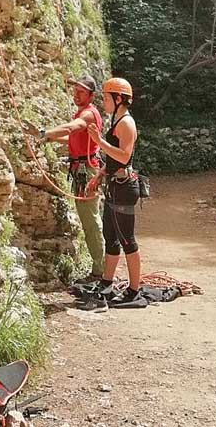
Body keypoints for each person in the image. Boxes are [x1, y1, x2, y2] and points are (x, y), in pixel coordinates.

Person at [84, 77, 145, 309]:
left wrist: (99, 141)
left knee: (127, 239)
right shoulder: (116, 119)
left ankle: (134, 290)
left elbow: (124, 156)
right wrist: (99, 175)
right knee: (111, 236)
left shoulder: (126, 124)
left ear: (118, 99)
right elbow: (113, 159)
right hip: (114, 185)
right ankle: (107, 282)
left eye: (106, 97)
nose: (104, 101)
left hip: (124, 188)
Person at [43, 74, 105, 282]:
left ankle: (100, 270)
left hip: (86, 171)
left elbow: (71, 128)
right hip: (81, 169)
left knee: (90, 220)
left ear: (91, 95)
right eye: (75, 91)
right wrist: (49, 137)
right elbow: (72, 136)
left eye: (81, 92)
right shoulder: (82, 112)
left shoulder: (88, 114)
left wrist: (47, 132)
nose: (76, 95)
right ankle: (100, 268)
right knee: (88, 218)